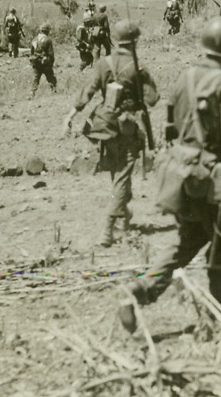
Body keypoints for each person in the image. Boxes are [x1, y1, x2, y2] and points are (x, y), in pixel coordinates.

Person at [118, 16, 221, 333]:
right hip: (213, 176)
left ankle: (138, 290)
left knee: (188, 239)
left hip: (182, 171)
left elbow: (173, 124)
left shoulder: (185, 77)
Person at [63, 20, 159, 247]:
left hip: (104, 126)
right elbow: (152, 99)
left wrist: (69, 116)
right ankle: (108, 229)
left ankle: (124, 220)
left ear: (116, 39)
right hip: (126, 128)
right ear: (135, 41)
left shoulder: (103, 63)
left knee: (118, 174)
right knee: (123, 175)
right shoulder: (138, 67)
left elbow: (88, 92)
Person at [29, 24, 57, 95]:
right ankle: (54, 90)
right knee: (50, 77)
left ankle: (32, 92)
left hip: (35, 61)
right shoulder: (48, 40)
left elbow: (31, 52)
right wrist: (51, 62)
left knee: (36, 78)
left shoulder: (35, 39)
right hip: (45, 63)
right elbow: (51, 53)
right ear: (47, 31)